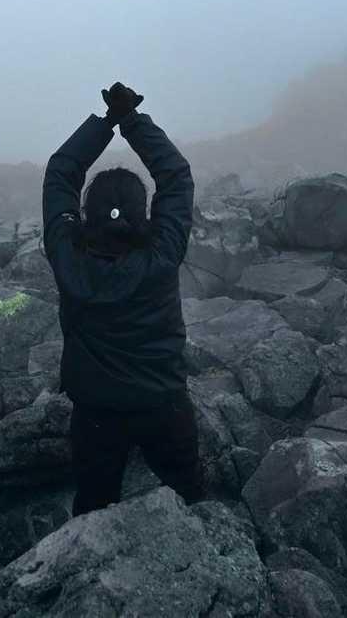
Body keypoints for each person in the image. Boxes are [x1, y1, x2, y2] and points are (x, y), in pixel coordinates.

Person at [43, 81, 205, 516]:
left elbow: (60, 173)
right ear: (144, 214)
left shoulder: (68, 256)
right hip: (163, 402)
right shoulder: (162, 253)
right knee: (189, 493)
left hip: (95, 410)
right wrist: (131, 121)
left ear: (85, 215)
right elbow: (176, 176)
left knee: (94, 504)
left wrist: (105, 124)